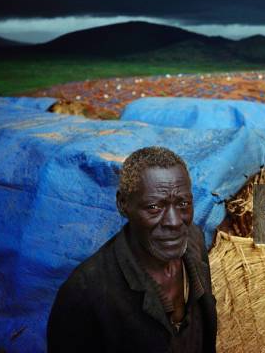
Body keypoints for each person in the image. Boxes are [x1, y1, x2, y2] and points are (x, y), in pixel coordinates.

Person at [47, 146, 217, 352]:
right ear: (123, 204)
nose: (174, 221)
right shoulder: (85, 292)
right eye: (154, 207)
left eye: (183, 203)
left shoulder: (194, 242)